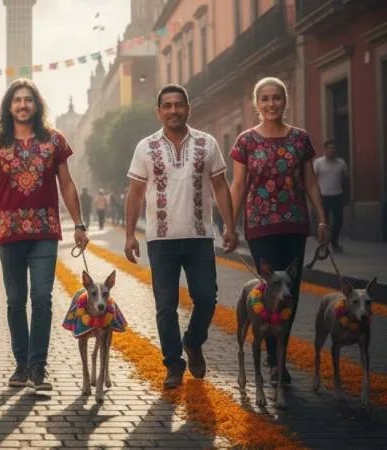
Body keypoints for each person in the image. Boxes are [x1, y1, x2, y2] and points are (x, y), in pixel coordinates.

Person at [0, 78, 89, 391]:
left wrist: (79, 224)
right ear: (9, 106)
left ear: (37, 105)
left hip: (45, 231)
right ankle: (21, 365)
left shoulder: (54, 141)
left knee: (41, 298)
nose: (23, 105)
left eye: (28, 99)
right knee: (15, 301)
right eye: (17, 100)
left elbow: (66, 184)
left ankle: (38, 366)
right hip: (8, 233)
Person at [125, 84, 237, 389]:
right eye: (167, 105)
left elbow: (220, 186)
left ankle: (193, 340)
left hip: (201, 237)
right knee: (165, 305)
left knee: (206, 298)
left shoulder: (207, 143)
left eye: (179, 105)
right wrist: (129, 235)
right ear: (159, 111)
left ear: (188, 108)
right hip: (160, 240)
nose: (173, 110)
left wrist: (229, 225)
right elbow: (134, 194)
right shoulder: (145, 147)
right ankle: (173, 364)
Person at [229, 76, 329, 387]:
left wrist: (322, 219)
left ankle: (279, 358)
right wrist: (230, 226)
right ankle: (274, 360)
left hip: (294, 224)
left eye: (277, 98)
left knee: (290, 292)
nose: (271, 104)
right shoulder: (246, 141)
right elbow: (239, 185)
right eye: (265, 99)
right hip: (259, 227)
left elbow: (310, 181)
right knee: (269, 291)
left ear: (285, 101)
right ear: (256, 104)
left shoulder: (300, 139)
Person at [313, 139, 348, 252]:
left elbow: (345, 178)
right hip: (323, 196)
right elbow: (313, 180)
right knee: (324, 222)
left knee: (338, 221)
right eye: (329, 148)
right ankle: (323, 243)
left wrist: (345, 194)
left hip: (337, 195)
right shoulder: (318, 163)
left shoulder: (341, 163)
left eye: (333, 148)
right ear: (325, 150)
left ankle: (334, 242)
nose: (331, 150)